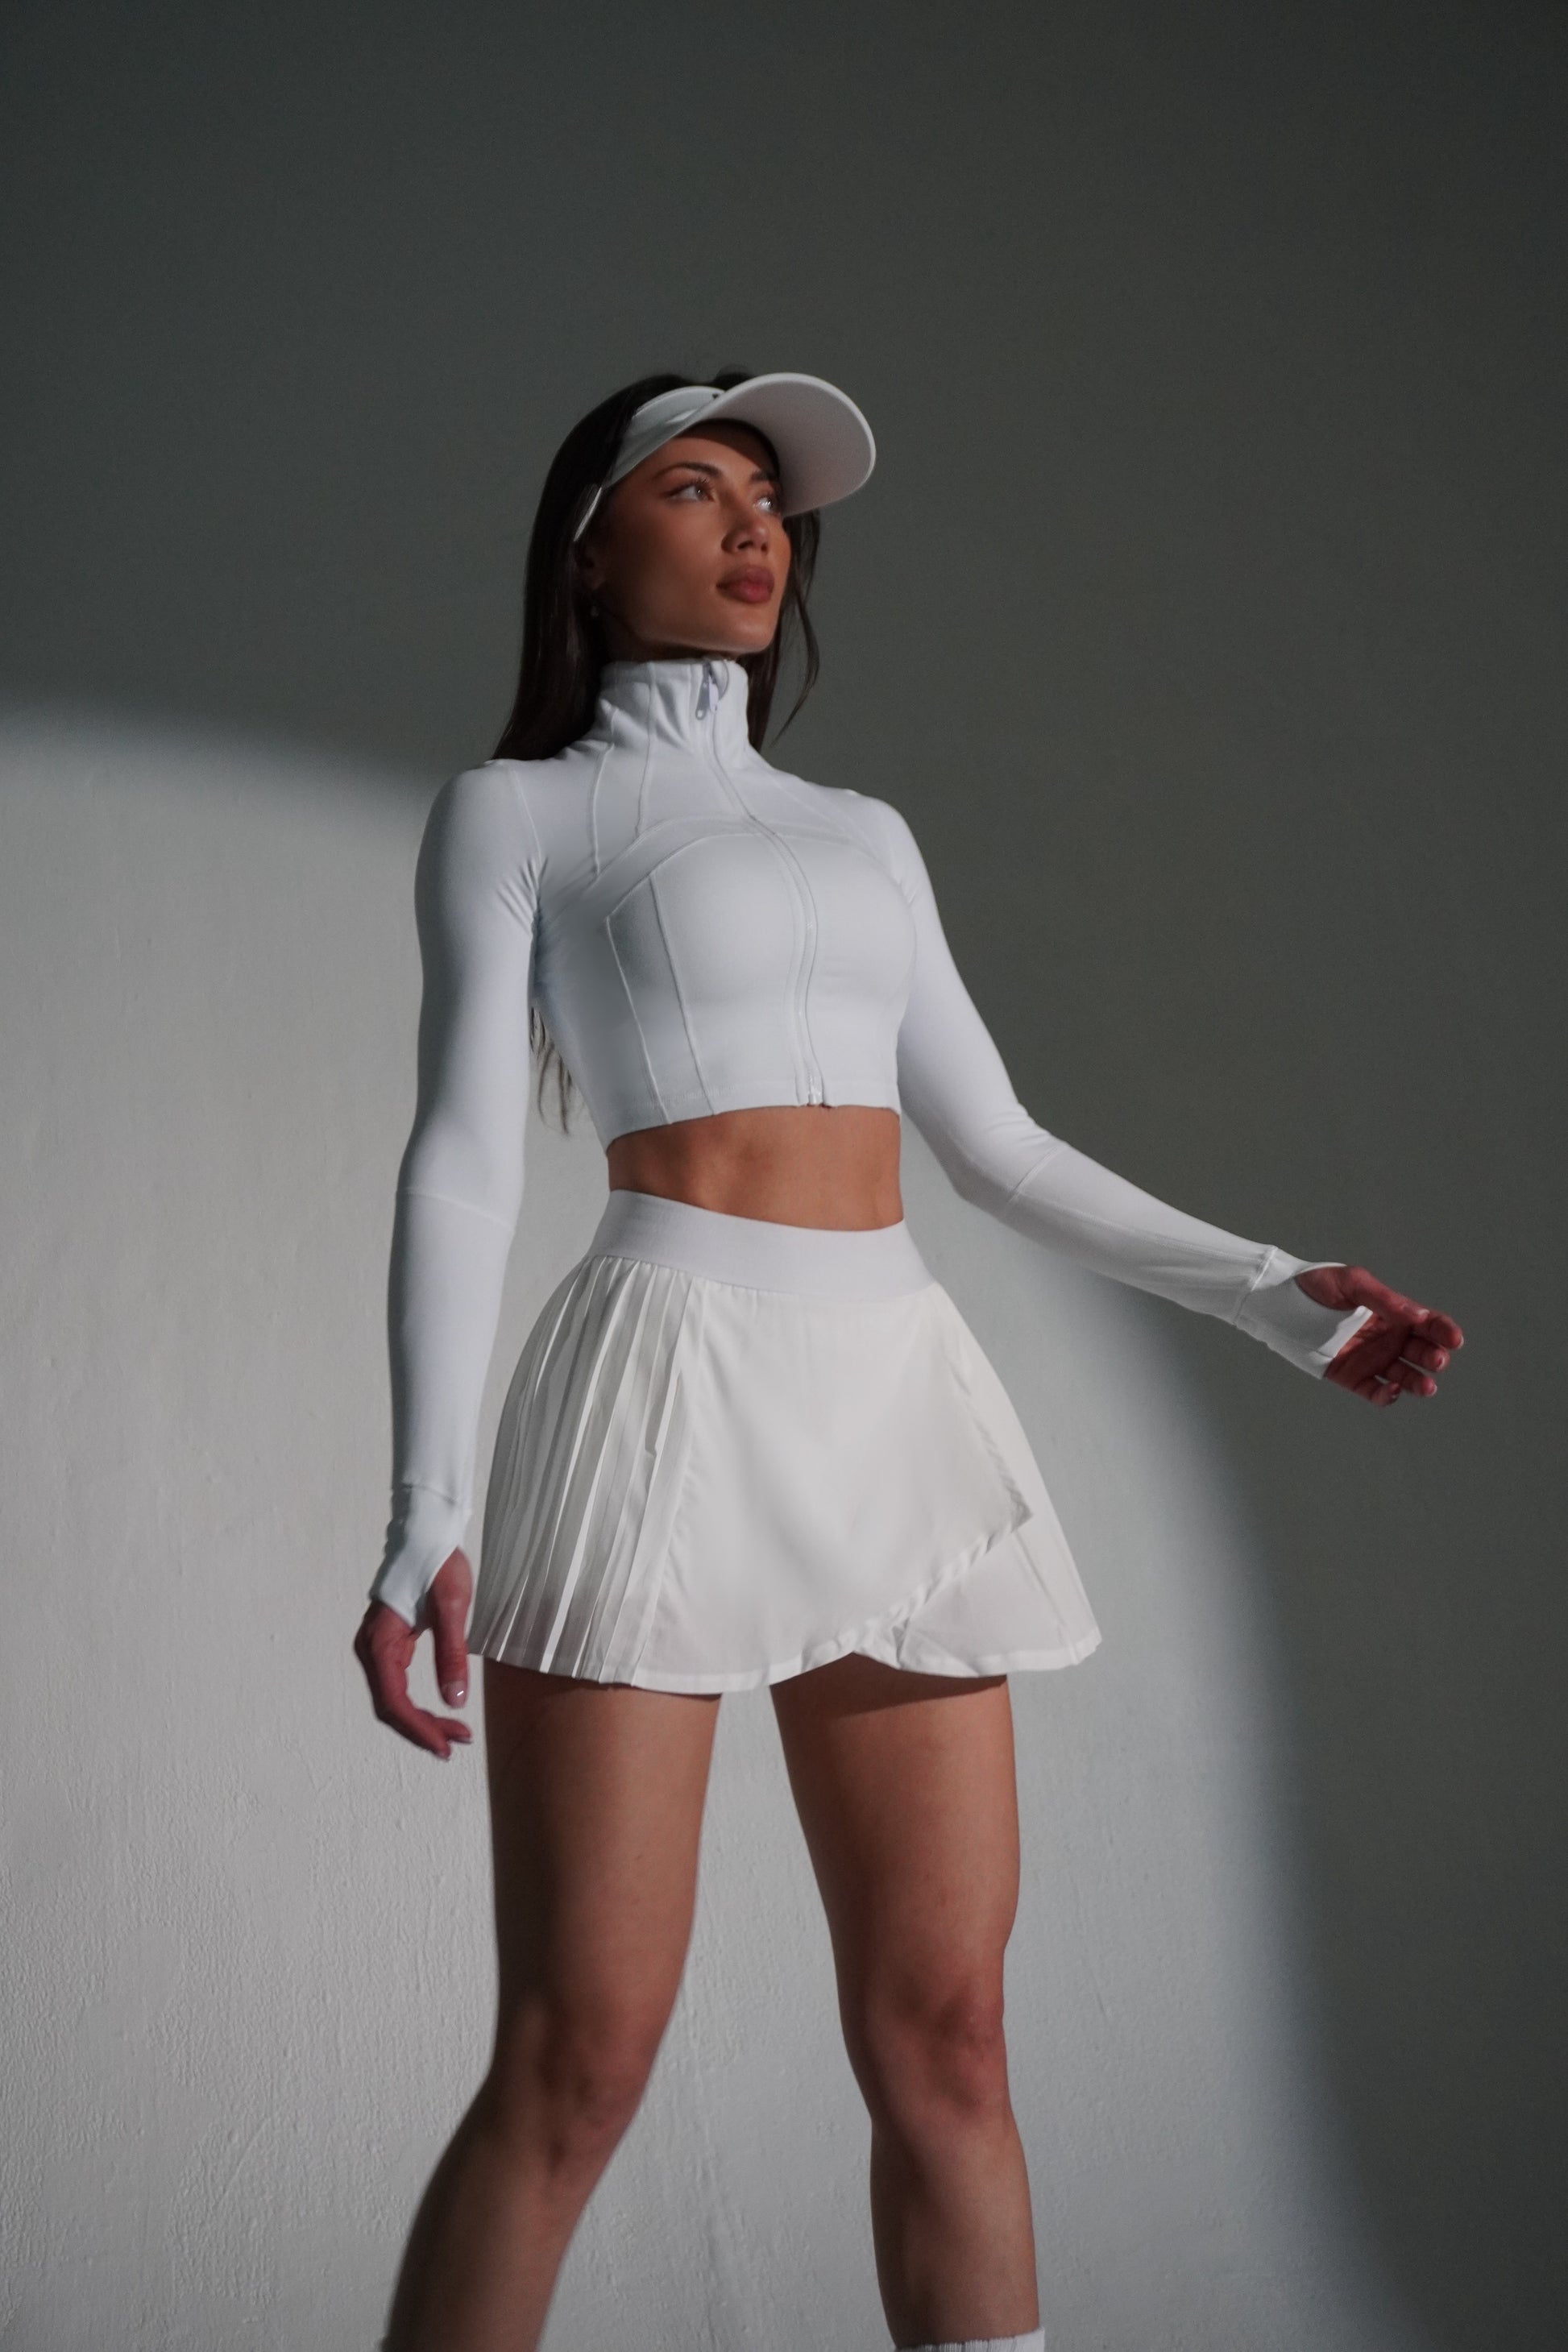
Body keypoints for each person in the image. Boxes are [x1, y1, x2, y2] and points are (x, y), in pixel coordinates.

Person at [353, 370, 1462, 2352]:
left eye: (770, 502)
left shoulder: (862, 835)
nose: (752, 528)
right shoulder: (516, 813)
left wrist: (1279, 1293)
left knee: (948, 2035)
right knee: (578, 2059)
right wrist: (422, 1508)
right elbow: (459, 1158)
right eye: (695, 488)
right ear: (588, 552)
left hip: (891, 1396)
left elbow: (999, 1150)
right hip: (660, 1394)